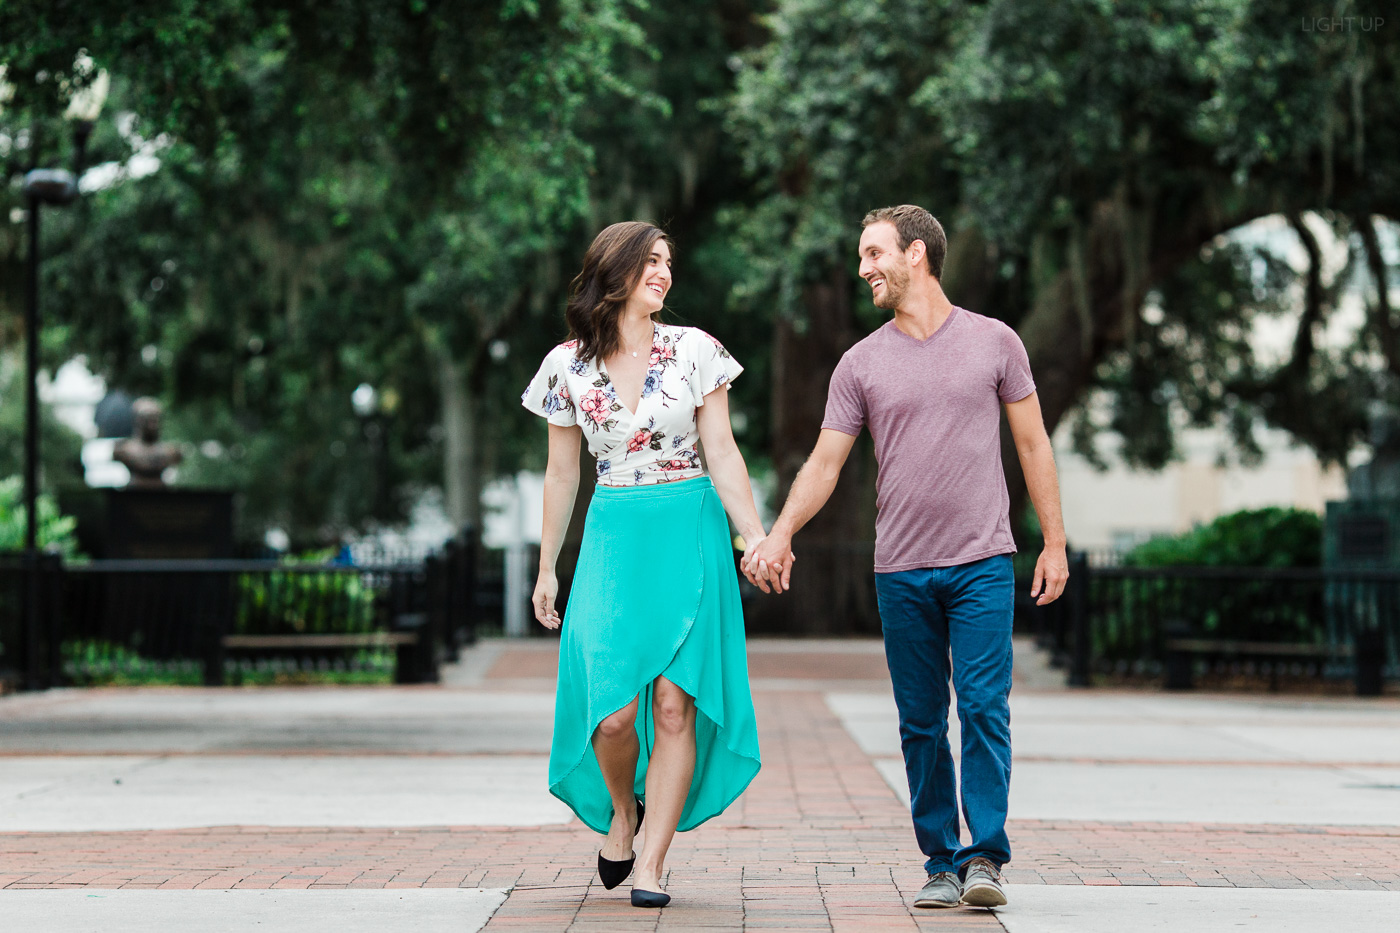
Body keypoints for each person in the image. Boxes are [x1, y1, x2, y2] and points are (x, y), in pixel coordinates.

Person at [743, 205, 1068, 910]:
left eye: (873, 254)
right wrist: (781, 531)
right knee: (921, 720)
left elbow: (1034, 444)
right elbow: (826, 463)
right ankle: (940, 859)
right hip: (901, 570)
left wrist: (1055, 541)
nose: (863, 270)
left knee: (984, 708)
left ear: (915, 254)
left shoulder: (995, 342)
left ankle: (984, 855)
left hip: (983, 561)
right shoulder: (860, 362)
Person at [521, 221, 765, 909]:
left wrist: (753, 537)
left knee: (674, 703)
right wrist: (547, 568)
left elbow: (721, 450)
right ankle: (622, 814)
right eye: (649, 261)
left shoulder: (696, 350)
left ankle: (653, 857)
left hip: (688, 529)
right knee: (613, 715)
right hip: (613, 538)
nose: (663, 272)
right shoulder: (564, 365)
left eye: (667, 262)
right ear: (615, 271)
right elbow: (561, 475)